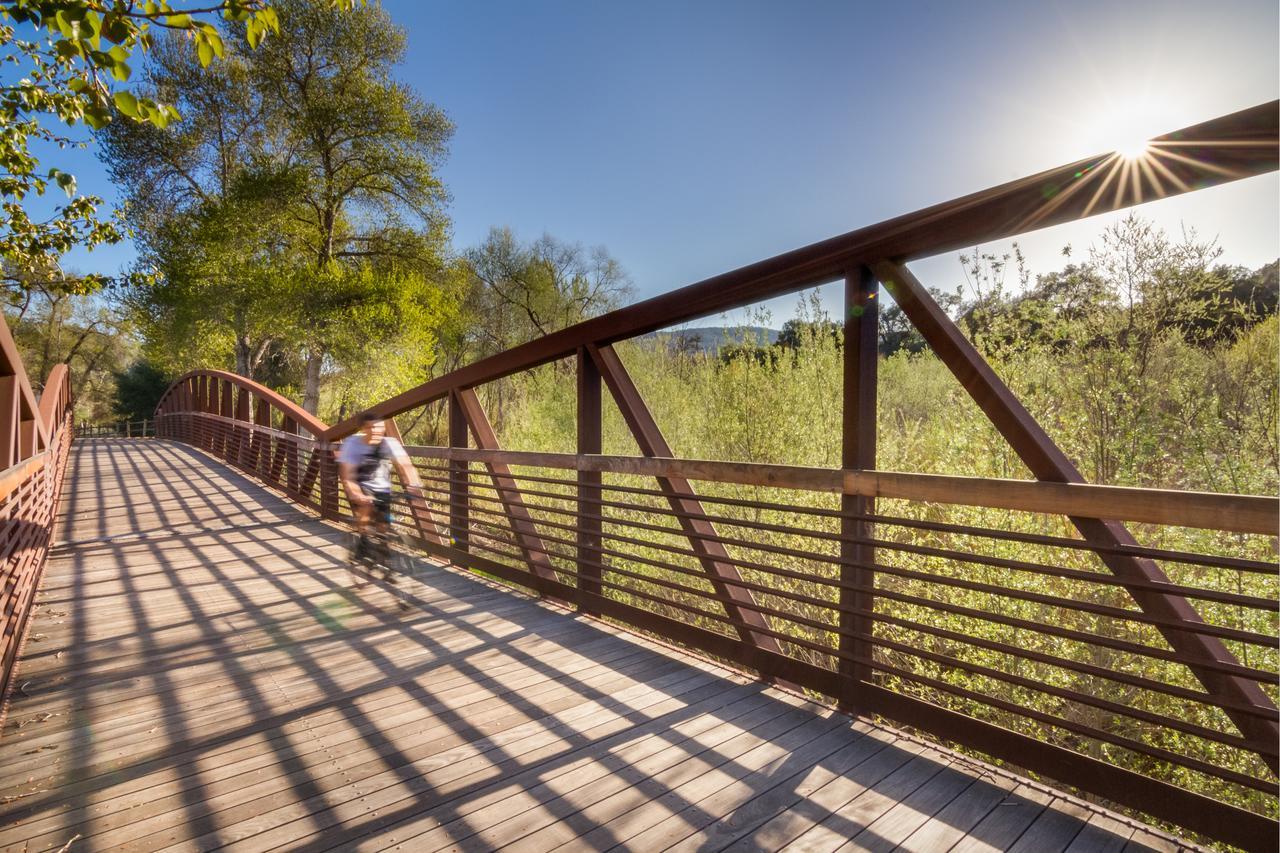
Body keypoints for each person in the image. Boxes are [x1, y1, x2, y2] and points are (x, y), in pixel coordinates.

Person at [337, 411, 423, 565]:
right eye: (371, 428)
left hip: (382, 488)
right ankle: (362, 543)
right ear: (363, 429)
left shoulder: (390, 443)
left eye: (379, 427)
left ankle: (384, 553)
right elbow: (348, 477)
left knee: (384, 525)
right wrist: (357, 495)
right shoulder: (352, 445)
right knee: (366, 507)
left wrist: (413, 485)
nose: (376, 431)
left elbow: (406, 466)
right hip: (360, 484)